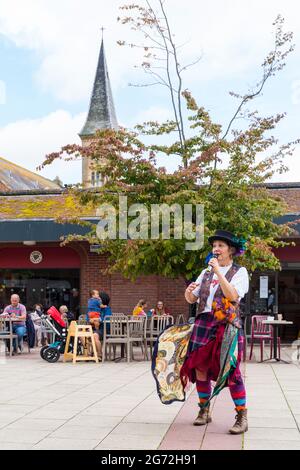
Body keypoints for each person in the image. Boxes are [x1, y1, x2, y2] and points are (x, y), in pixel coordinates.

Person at [182, 230, 249, 434]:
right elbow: (192, 299)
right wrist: (188, 292)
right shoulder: (205, 272)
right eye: (214, 246)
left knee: (231, 370)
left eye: (220, 245)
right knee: (200, 367)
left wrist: (219, 271)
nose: (216, 249)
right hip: (204, 323)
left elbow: (232, 295)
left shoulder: (240, 272)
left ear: (230, 250)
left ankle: (241, 415)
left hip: (226, 325)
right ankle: (204, 410)